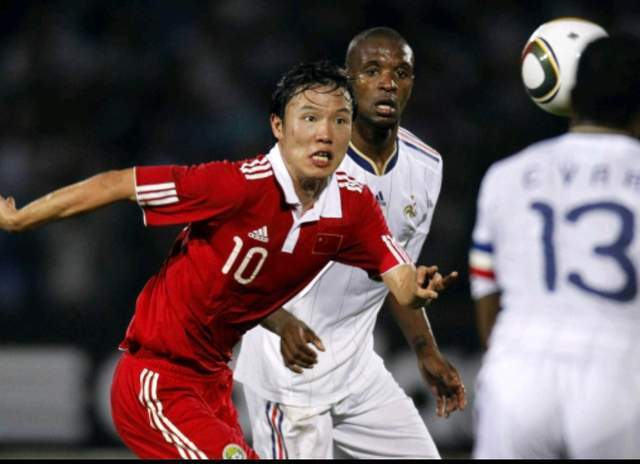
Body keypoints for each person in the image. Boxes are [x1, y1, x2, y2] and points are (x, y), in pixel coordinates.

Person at [0, 60, 452, 459]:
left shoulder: (354, 207)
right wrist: (22, 218)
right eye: (310, 117)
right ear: (278, 126)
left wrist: (416, 289)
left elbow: (399, 279)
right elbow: (119, 183)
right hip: (157, 377)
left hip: (213, 385)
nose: (324, 133)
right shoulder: (235, 187)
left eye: (339, 120)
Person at [235, 28, 465, 460]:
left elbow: (398, 274)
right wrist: (280, 324)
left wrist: (426, 350)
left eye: (400, 73)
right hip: (290, 372)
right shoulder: (303, 162)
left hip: (358, 372)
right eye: (372, 71)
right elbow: (236, 266)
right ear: (348, 80)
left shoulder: (426, 166)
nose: (387, 83)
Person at [470, 35, 640, 459]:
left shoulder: (506, 175)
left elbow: (487, 291)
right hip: (617, 371)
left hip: (519, 370)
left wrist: (504, 358)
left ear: (572, 98)